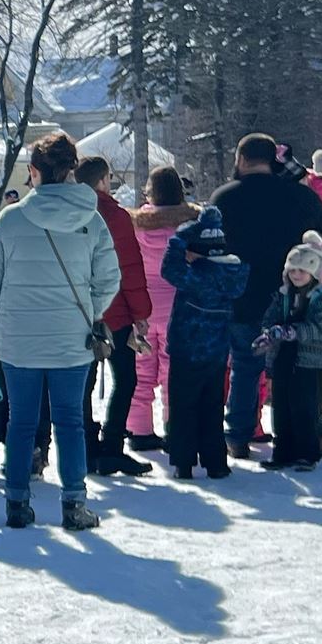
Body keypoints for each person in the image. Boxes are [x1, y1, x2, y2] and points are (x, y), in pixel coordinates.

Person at [0, 130, 122, 531]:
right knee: (70, 421)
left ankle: (16, 502)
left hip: (17, 337)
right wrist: (89, 312)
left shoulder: (10, 219)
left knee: (21, 422)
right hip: (71, 338)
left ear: (34, 172)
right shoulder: (91, 219)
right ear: (72, 171)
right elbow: (108, 278)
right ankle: (74, 503)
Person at [207, 134, 322, 457]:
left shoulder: (223, 197)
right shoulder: (299, 197)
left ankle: (238, 434)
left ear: (241, 159)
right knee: (298, 369)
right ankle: (305, 433)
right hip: (290, 295)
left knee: (245, 367)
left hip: (241, 295)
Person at [79, 154, 155, 476]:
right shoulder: (114, 215)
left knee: (83, 383)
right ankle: (111, 446)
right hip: (116, 311)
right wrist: (141, 312)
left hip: (78, 311)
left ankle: (85, 448)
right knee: (125, 378)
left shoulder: (70, 212)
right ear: (103, 180)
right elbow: (129, 268)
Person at [159, 208, 242, 478]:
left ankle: (183, 462)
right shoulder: (232, 273)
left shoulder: (197, 275)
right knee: (212, 406)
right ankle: (215, 462)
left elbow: (169, 269)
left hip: (187, 350)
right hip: (217, 352)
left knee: (183, 406)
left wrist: (180, 238)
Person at [127, 167, 197, 451]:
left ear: (150, 192)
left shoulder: (136, 226)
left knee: (140, 373)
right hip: (179, 308)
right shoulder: (190, 225)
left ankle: (139, 430)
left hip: (143, 309)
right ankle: (175, 427)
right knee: (174, 373)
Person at [256, 233, 322, 471]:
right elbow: (270, 319)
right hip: (283, 359)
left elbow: (319, 328)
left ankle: (307, 453)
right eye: (293, 270)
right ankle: (283, 451)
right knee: (281, 407)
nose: (297, 275)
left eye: (302, 271)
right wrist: (268, 333)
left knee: (305, 408)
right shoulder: (282, 295)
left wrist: (292, 331)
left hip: (308, 362)